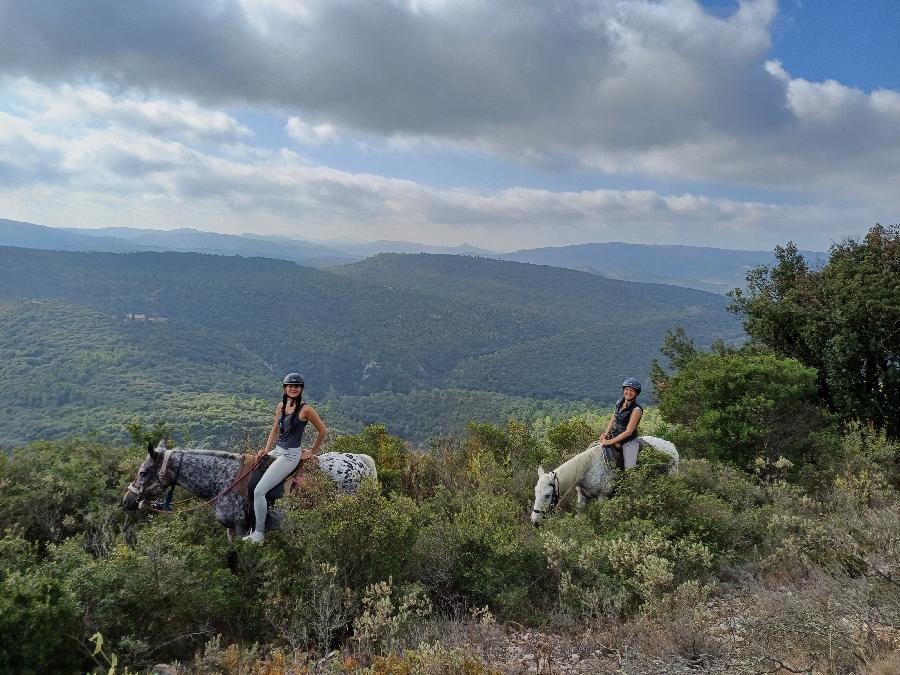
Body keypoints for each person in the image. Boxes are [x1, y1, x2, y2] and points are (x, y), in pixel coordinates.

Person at [244, 372, 326, 544]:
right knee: (250, 479)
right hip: (277, 451)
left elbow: (322, 431)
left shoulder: (306, 409)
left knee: (259, 491)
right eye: (290, 386)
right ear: (285, 388)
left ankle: (259, 534)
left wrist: (312, 451)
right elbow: (275, 430)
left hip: (290, 456)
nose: (293, 388)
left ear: (301, 388)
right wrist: (266, 451)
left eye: (296, 386)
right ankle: (251, 526)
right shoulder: (280, 406)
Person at [599, 377, 643, 470]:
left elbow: (628, 432)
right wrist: (606, 434)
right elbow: (614, 418)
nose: (629, 392)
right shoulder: (619, 402)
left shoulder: (636, 410)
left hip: (628, 441)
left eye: (632, 391)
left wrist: (610, 441)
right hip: (614, 435)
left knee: (629, 469)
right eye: (627, 389)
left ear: (636, 393)